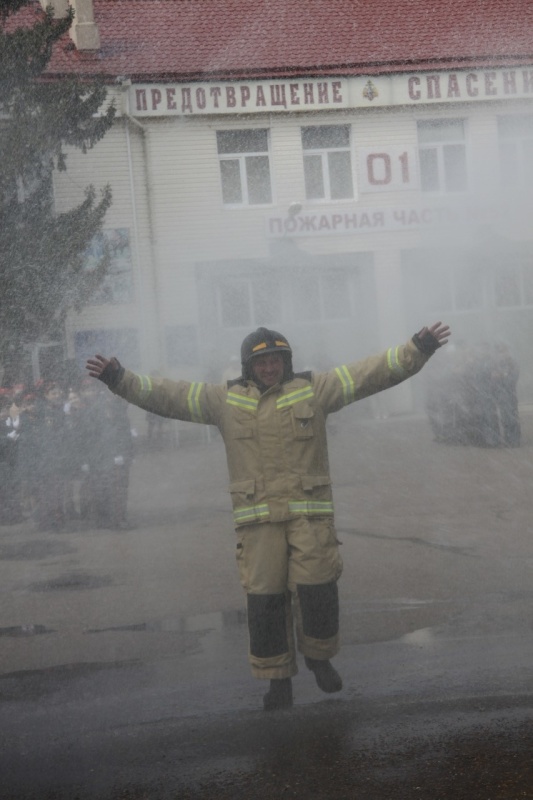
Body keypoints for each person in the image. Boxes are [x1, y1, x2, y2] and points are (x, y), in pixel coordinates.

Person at [86, 321, 450, 710]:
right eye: (261, 362)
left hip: (309, 518)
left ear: (287, 361)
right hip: (258, 524)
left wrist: (418, 348)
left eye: (276, 360)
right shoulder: (223, 400)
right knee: (265, 602)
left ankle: (319, 658)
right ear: (248, 365)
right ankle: (278, 681)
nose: (269, 368)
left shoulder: (314, 389)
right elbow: (167, 396)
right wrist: (118, 378)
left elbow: (370, 374)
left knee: (319, 589)